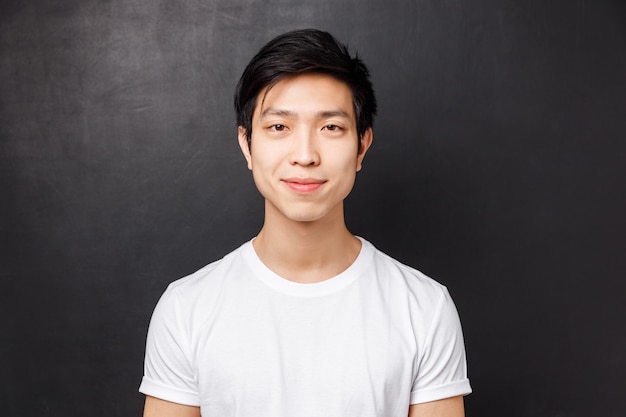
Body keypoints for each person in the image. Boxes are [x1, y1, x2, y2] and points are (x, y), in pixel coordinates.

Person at [139, 28, 471, 417]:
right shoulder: (185, 308)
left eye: (331, 127)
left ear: (362, 145)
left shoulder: (425, 308)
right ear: (247, 144)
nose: (305, 155)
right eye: (279, 127)